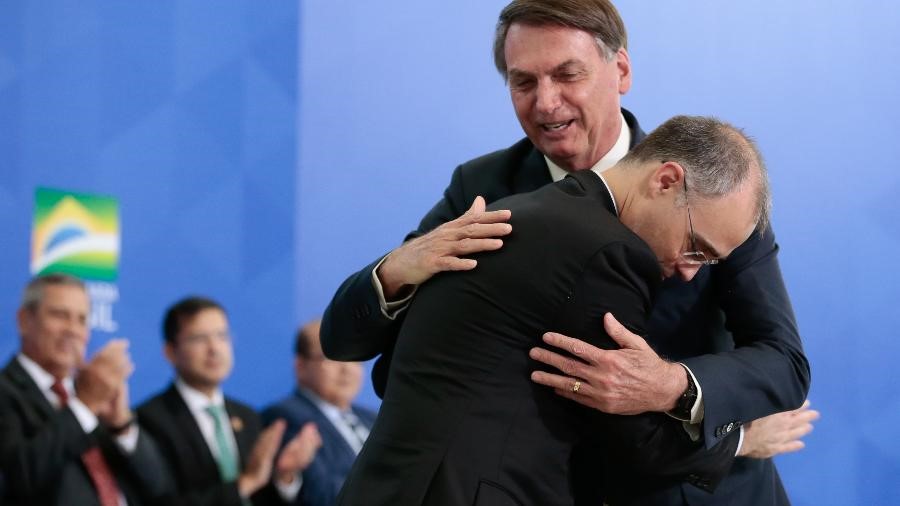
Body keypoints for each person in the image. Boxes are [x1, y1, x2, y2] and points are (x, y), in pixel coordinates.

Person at [321, 1, 813, 504]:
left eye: (567, 75)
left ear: (621, 70)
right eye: (523, 82)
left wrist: (672, 385)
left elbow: (785, 362)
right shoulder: (482, 191)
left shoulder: (717, 192)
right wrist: (395, 271)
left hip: (695, 491)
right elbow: (365, 350)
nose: (546, 103)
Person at [337, 115, 769, 505]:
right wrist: (742, 439)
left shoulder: (526, 210)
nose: (689, 272)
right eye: (695, 248)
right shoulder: (607, 251)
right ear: (666, 181)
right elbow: (628, 442)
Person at [0, 273, 171, 506]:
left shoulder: (92, 394)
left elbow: (158, 486)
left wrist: (121, 425)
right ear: (24, 321)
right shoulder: (7, 391)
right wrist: (84, 405)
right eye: (60, 315)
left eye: (82, 320)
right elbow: (15, 479)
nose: (73, 329)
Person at [136, 296, 322, 506]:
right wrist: (245, 483)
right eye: (199, 338)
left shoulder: (248, 416)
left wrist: (284, 476)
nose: (214, 348)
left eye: (222, 336)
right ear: (170, 351)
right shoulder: (151, 420)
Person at [262, 319, 377, 506]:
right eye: (333, 356)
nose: (347, 369)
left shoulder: (372, 418)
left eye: (355, 358)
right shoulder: (287, 416)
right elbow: (320, 493)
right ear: (301, 366)